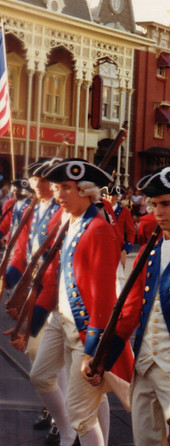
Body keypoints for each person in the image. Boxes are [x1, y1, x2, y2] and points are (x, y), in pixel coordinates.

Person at [85, 167, 170, 446]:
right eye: (154, 204)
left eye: (165, 204)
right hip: (144, 368)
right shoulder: (148, 252)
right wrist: (102, 358)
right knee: (144, 440)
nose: (158, 212)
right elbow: (130, 310)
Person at [15, 159, 134, 446]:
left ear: (87, 191)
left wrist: (92, 351)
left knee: (80, 411)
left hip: (85, 328)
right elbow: (56, 277)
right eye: (57, 187)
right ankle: (70, 435)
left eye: (66, 188)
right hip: (61, 318)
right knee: (41, 376)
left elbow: (104, 297)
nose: (58, 195)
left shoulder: (99, 230)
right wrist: (31, 321)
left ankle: (75, 438)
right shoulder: (70, 222)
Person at [4, 159, 68, 445]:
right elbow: (20, 248)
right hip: (33, 284)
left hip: (54, 289)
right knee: (35, 354)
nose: (40, 184)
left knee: (51, 358)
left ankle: (63, 419)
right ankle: (54, 407)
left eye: (46, 180)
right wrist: (8, 279)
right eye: (36, 178)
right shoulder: (29, 206)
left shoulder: (61, 210)